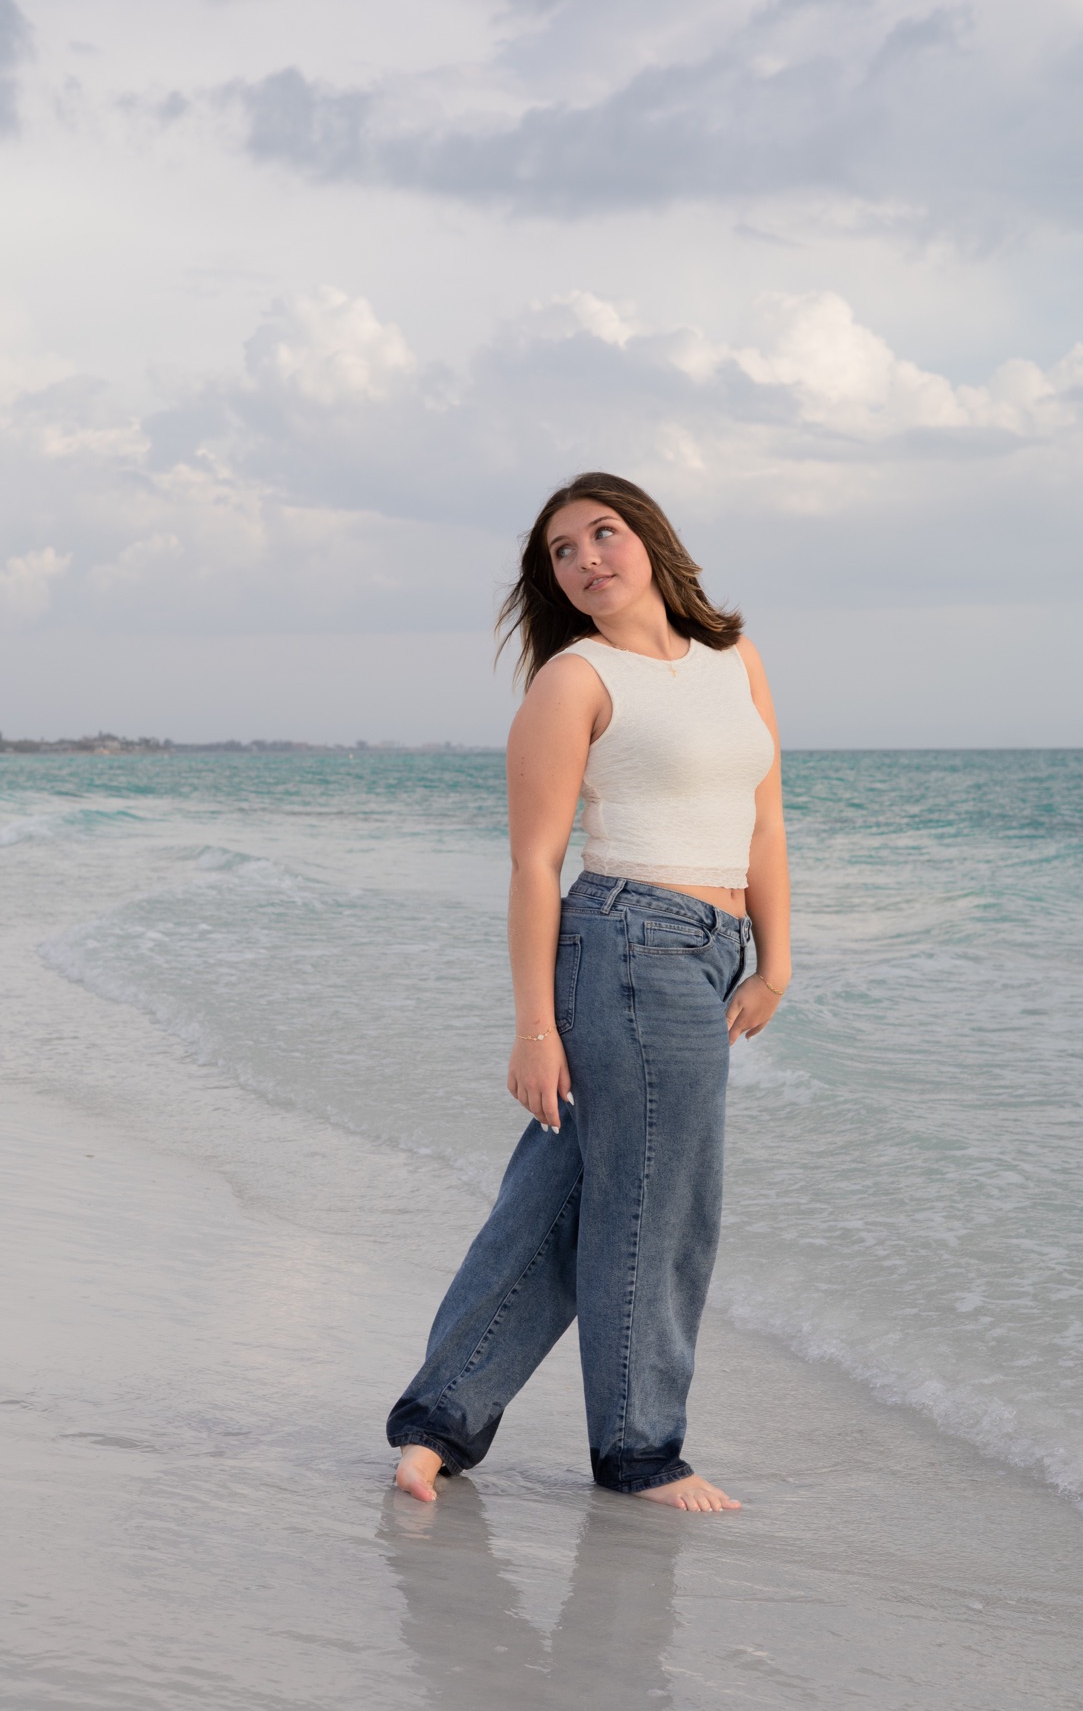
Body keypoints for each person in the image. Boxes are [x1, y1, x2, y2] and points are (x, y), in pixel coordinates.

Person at [387, 472, 791, 1512]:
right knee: (663, 1208)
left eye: (602, 534)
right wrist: (533, 1029)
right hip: (627, 944)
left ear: (649, 538)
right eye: (563, 552)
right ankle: (640, 1450)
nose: (587, 560)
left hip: (710, 948)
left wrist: (775, 959)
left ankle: (438, 1426)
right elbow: (534, 864)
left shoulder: (732, 659)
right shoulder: (575, 680)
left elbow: (765, 821)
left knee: (565, 1199)